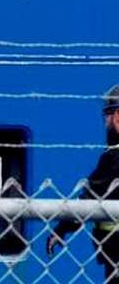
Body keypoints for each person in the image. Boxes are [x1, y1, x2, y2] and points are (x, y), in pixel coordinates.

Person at [47, 84, 119, 284]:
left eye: (106, 116)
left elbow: (90, 198)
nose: (104, 122)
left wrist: (61, 229)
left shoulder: (115, 158)